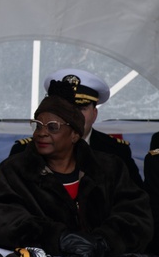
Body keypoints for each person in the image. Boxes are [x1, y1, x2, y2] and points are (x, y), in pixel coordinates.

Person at [0, 81, 152, 257]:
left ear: (74, 134)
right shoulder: (15, 170)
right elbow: (8, 221)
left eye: (52, 127)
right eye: (38, 126)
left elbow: (136, 216)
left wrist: (99, 243)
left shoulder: (109, 168)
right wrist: (61, 239)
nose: (42, 133)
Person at [9, 68, 143, 186]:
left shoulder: (117, 152)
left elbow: (136, 205)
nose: (72, 117)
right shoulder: (22, 152)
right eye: (64, 109)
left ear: (94, 114)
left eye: (80, 109)